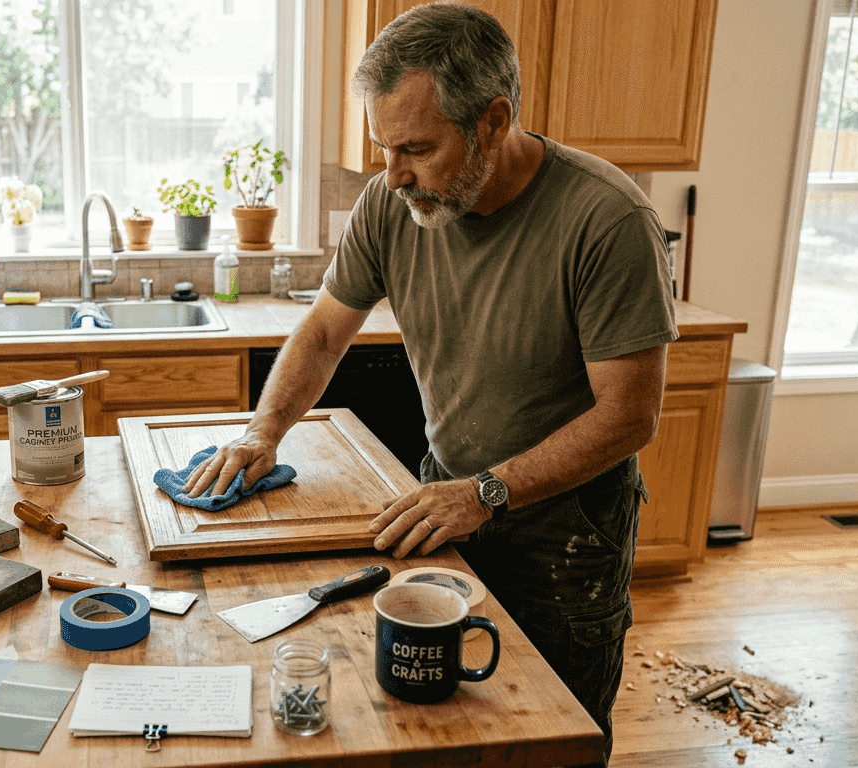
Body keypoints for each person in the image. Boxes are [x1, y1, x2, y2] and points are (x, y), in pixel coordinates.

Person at [185, 3, 676, 766]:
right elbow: (321, 332)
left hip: (564, 529)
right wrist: (263, 430)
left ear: (493, 121)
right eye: (385, 147)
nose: (393, 174)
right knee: (434, 726)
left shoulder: (605, 220)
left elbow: (630, 417)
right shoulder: (392, 204)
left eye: (417, 148)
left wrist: (487, 491)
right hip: (445, 498)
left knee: (552, 737)